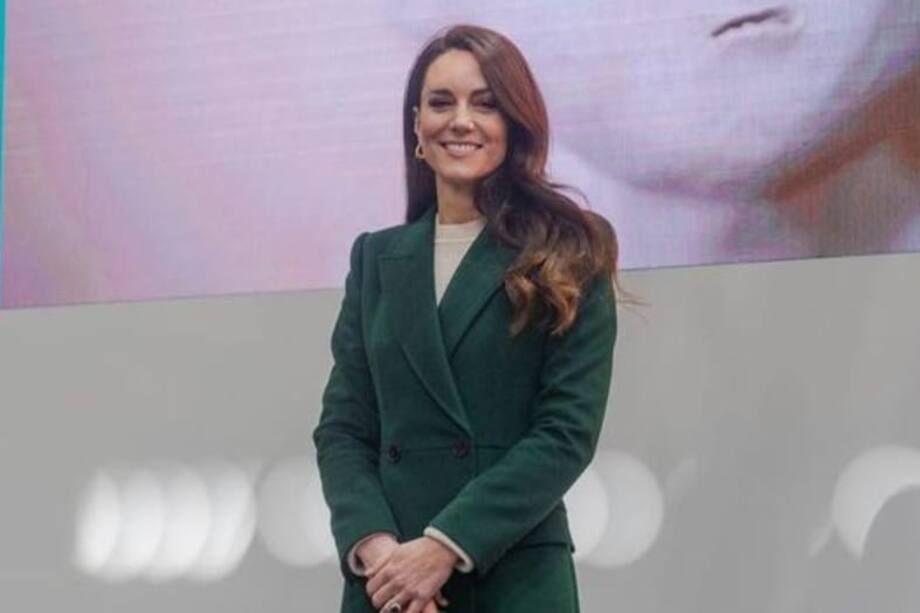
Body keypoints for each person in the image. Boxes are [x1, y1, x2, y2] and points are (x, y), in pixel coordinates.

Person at [312, 24, 621, 613]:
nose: (461, 121)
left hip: (512, 576)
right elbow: (343, 429)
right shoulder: (375, 258)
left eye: (485, 103)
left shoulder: (570, 248)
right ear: (416, 126)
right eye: (440, 102)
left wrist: (443, 548)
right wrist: (379, 554)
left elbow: (566, 433)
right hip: (389, 586)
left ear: (515, 123)